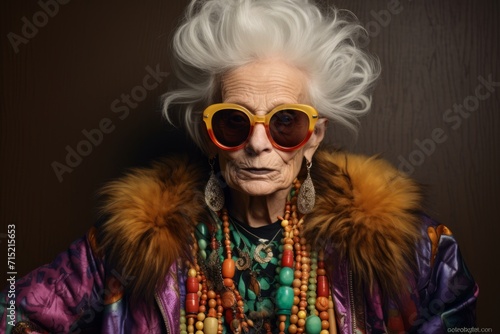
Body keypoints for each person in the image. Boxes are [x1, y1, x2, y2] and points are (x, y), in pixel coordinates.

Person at [1, 0, 478, 333]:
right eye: (233, 122)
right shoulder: (130, 246)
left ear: (313, 138)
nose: (256, 144)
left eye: (284, 123)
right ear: (209, 137)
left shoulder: (414, 249)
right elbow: (13, 313)